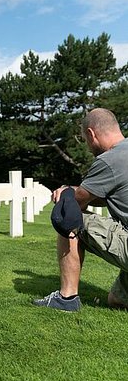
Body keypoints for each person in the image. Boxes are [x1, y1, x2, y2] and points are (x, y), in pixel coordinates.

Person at [34, 108, 128, 311]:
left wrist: (66, 191)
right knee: (116, 300)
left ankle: (66, 299)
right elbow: (112, 196)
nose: (87, 146)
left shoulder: (109, 160)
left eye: (85, 139)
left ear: (91, 134)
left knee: (67, 212)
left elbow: (77, 202)